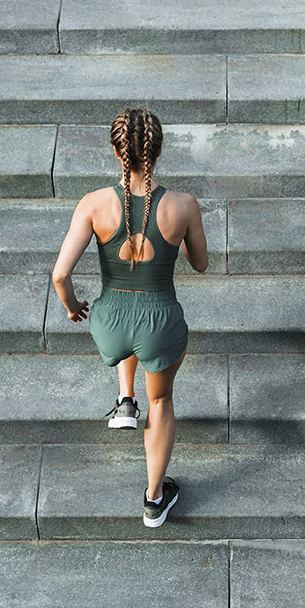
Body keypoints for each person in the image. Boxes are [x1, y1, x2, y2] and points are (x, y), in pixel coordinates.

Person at [52, 108, 208, 526]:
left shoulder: (94, 204)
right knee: (161, 402)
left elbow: (60, 274)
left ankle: (124, 399)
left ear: (115, 150)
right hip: (158, 323)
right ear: (158, 151)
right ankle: (155, 500)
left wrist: (72, 308)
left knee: (125, 317)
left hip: (108, 323)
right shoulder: (183, 205)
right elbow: (201, 264)